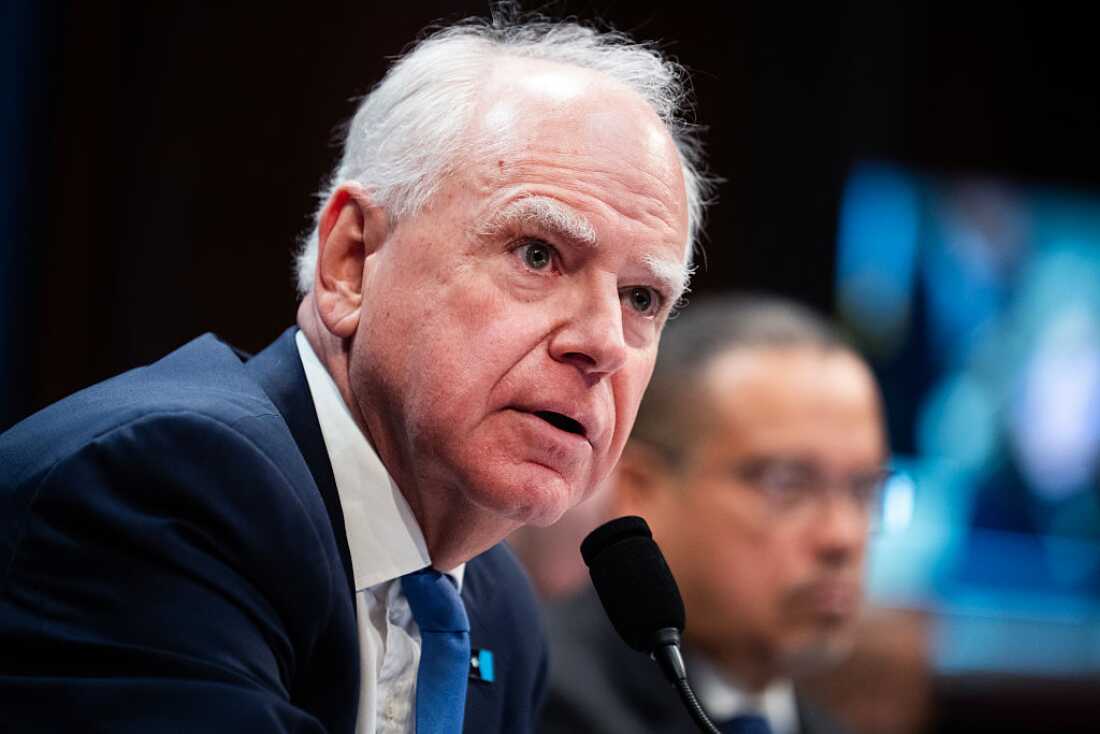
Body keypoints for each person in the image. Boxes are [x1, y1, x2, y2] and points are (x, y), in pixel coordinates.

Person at [0, 13, 713, 734]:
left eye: (642, 298)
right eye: (537, 254)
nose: (603, 344)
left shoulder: (499, 609)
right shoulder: (173, 490)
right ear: (352, 261)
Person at [539, 294, 889, 734]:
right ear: (640, 492)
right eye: (787, 485)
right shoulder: (534, 696)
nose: (841, 537)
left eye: (864, 489)